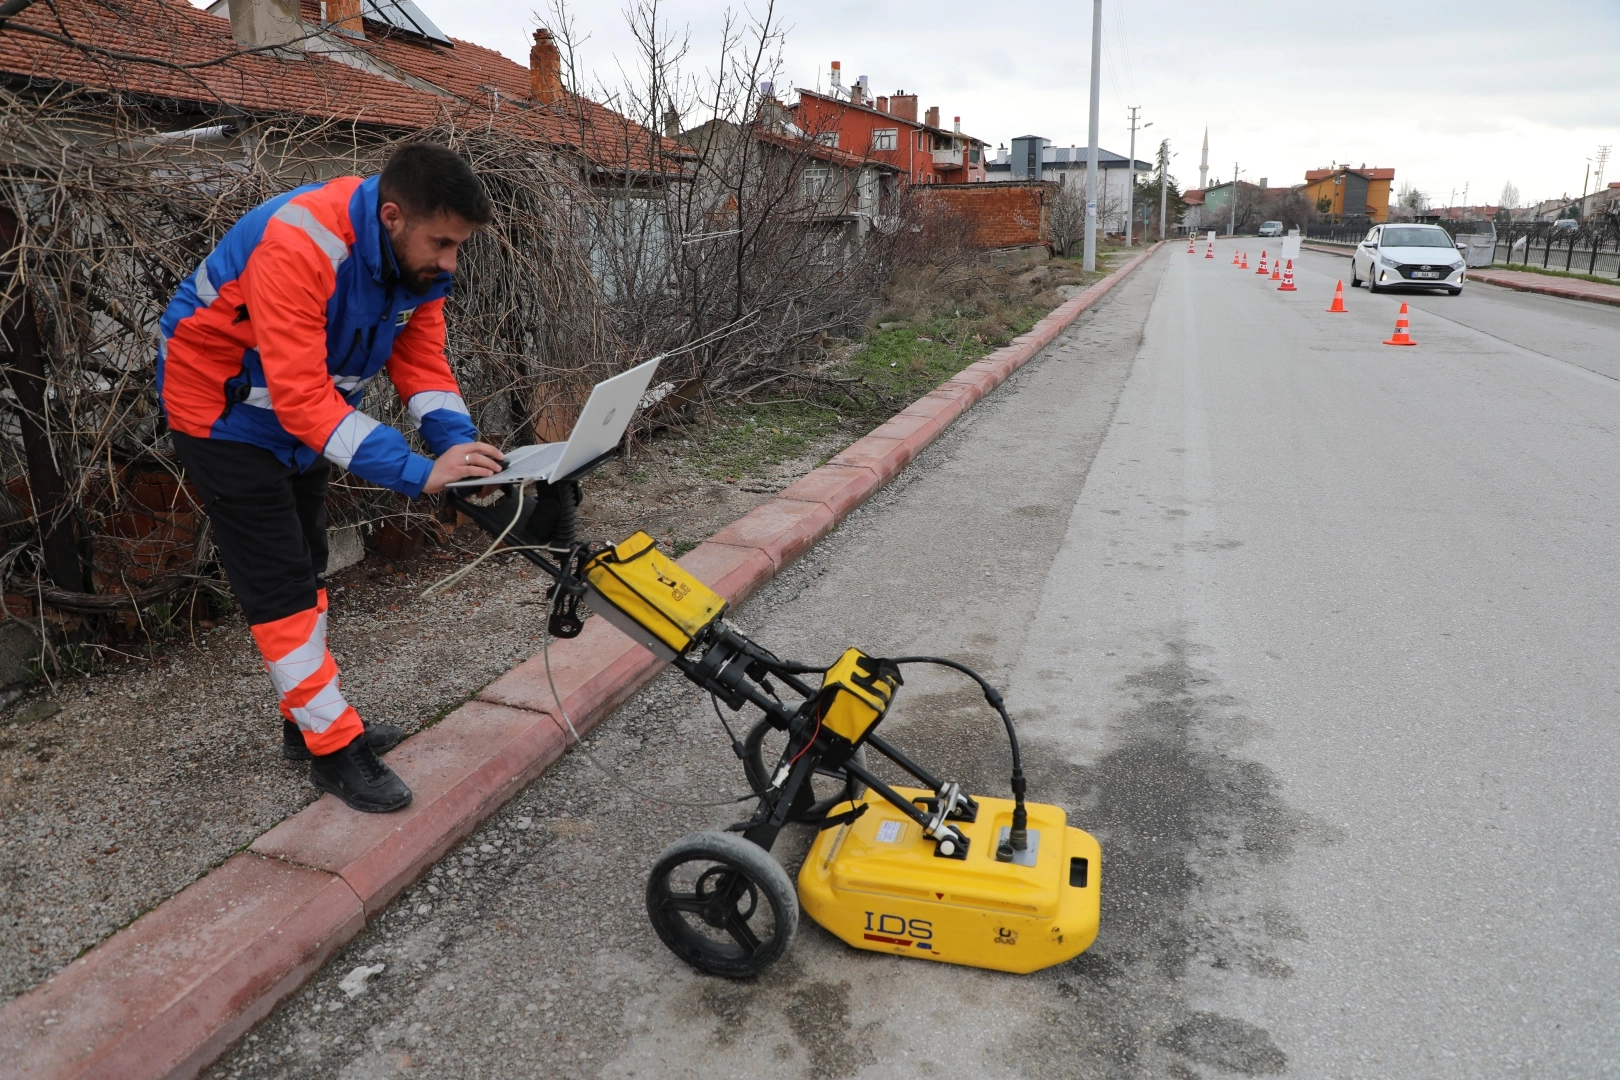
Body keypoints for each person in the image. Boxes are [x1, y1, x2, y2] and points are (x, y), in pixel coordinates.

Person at [157, 142, 505, 812]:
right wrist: (416, 472)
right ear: (394, 216)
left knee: (308, 562)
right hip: (219, 417)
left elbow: (422, 362)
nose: (450, 263)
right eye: (442, 244)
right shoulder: (299, 245)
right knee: (281, 587)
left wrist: (458, 449)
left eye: (459, 247)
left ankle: (306, 720)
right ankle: (333, 748)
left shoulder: (410, 262)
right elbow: (300, 397)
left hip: (299, 420)